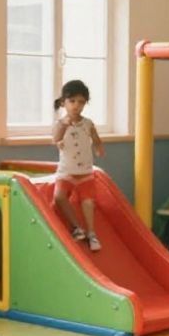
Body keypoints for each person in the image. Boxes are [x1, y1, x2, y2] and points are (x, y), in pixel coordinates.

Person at [51, 79, 106, 251]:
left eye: (81, 102)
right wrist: (63, 128)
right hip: (66, 171)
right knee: (59, 197)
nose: (77, 106)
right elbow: (56, 138)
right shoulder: (60, 124)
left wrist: (98, 148)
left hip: (84, 172)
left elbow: (96, 139)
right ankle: (76, 227)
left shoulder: (88, 123)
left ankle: (92, 234)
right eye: (72, 101)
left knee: (88, 203)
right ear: (63, 103)